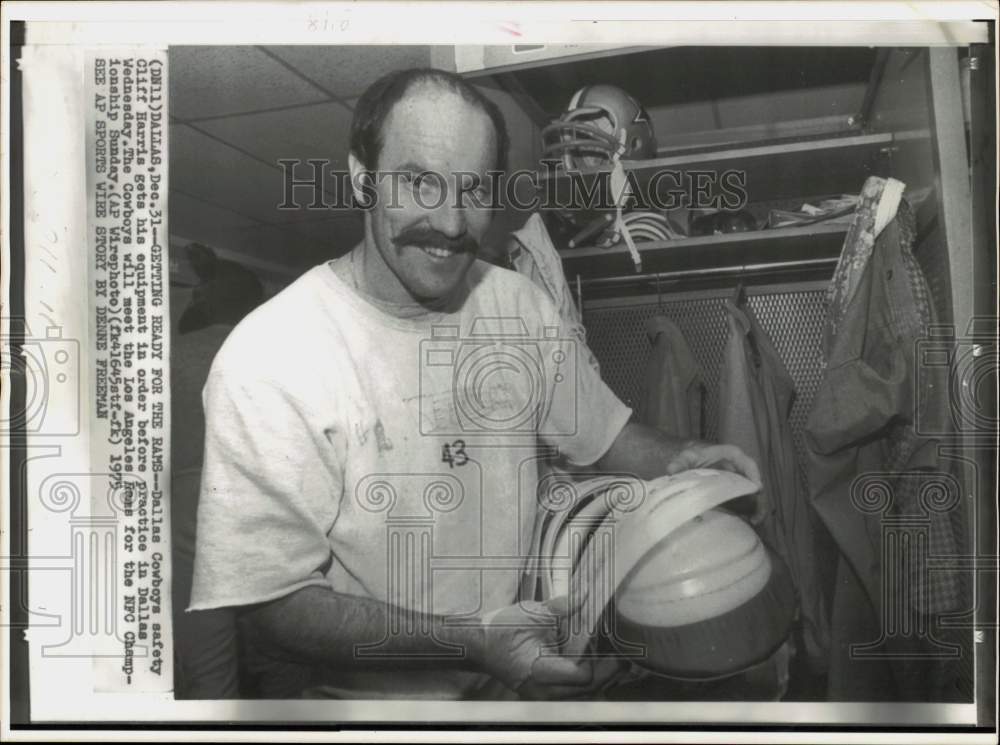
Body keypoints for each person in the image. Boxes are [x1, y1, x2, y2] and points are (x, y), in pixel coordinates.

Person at [188, 67, 759, 700]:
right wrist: (472, 640)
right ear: (361, 177)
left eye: (473, 189)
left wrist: (680, 457)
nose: (453, 223)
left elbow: (601, 435)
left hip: (510, 685)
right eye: (421, 182)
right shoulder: (271, 356)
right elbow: (275, 609)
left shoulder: (517, 307)